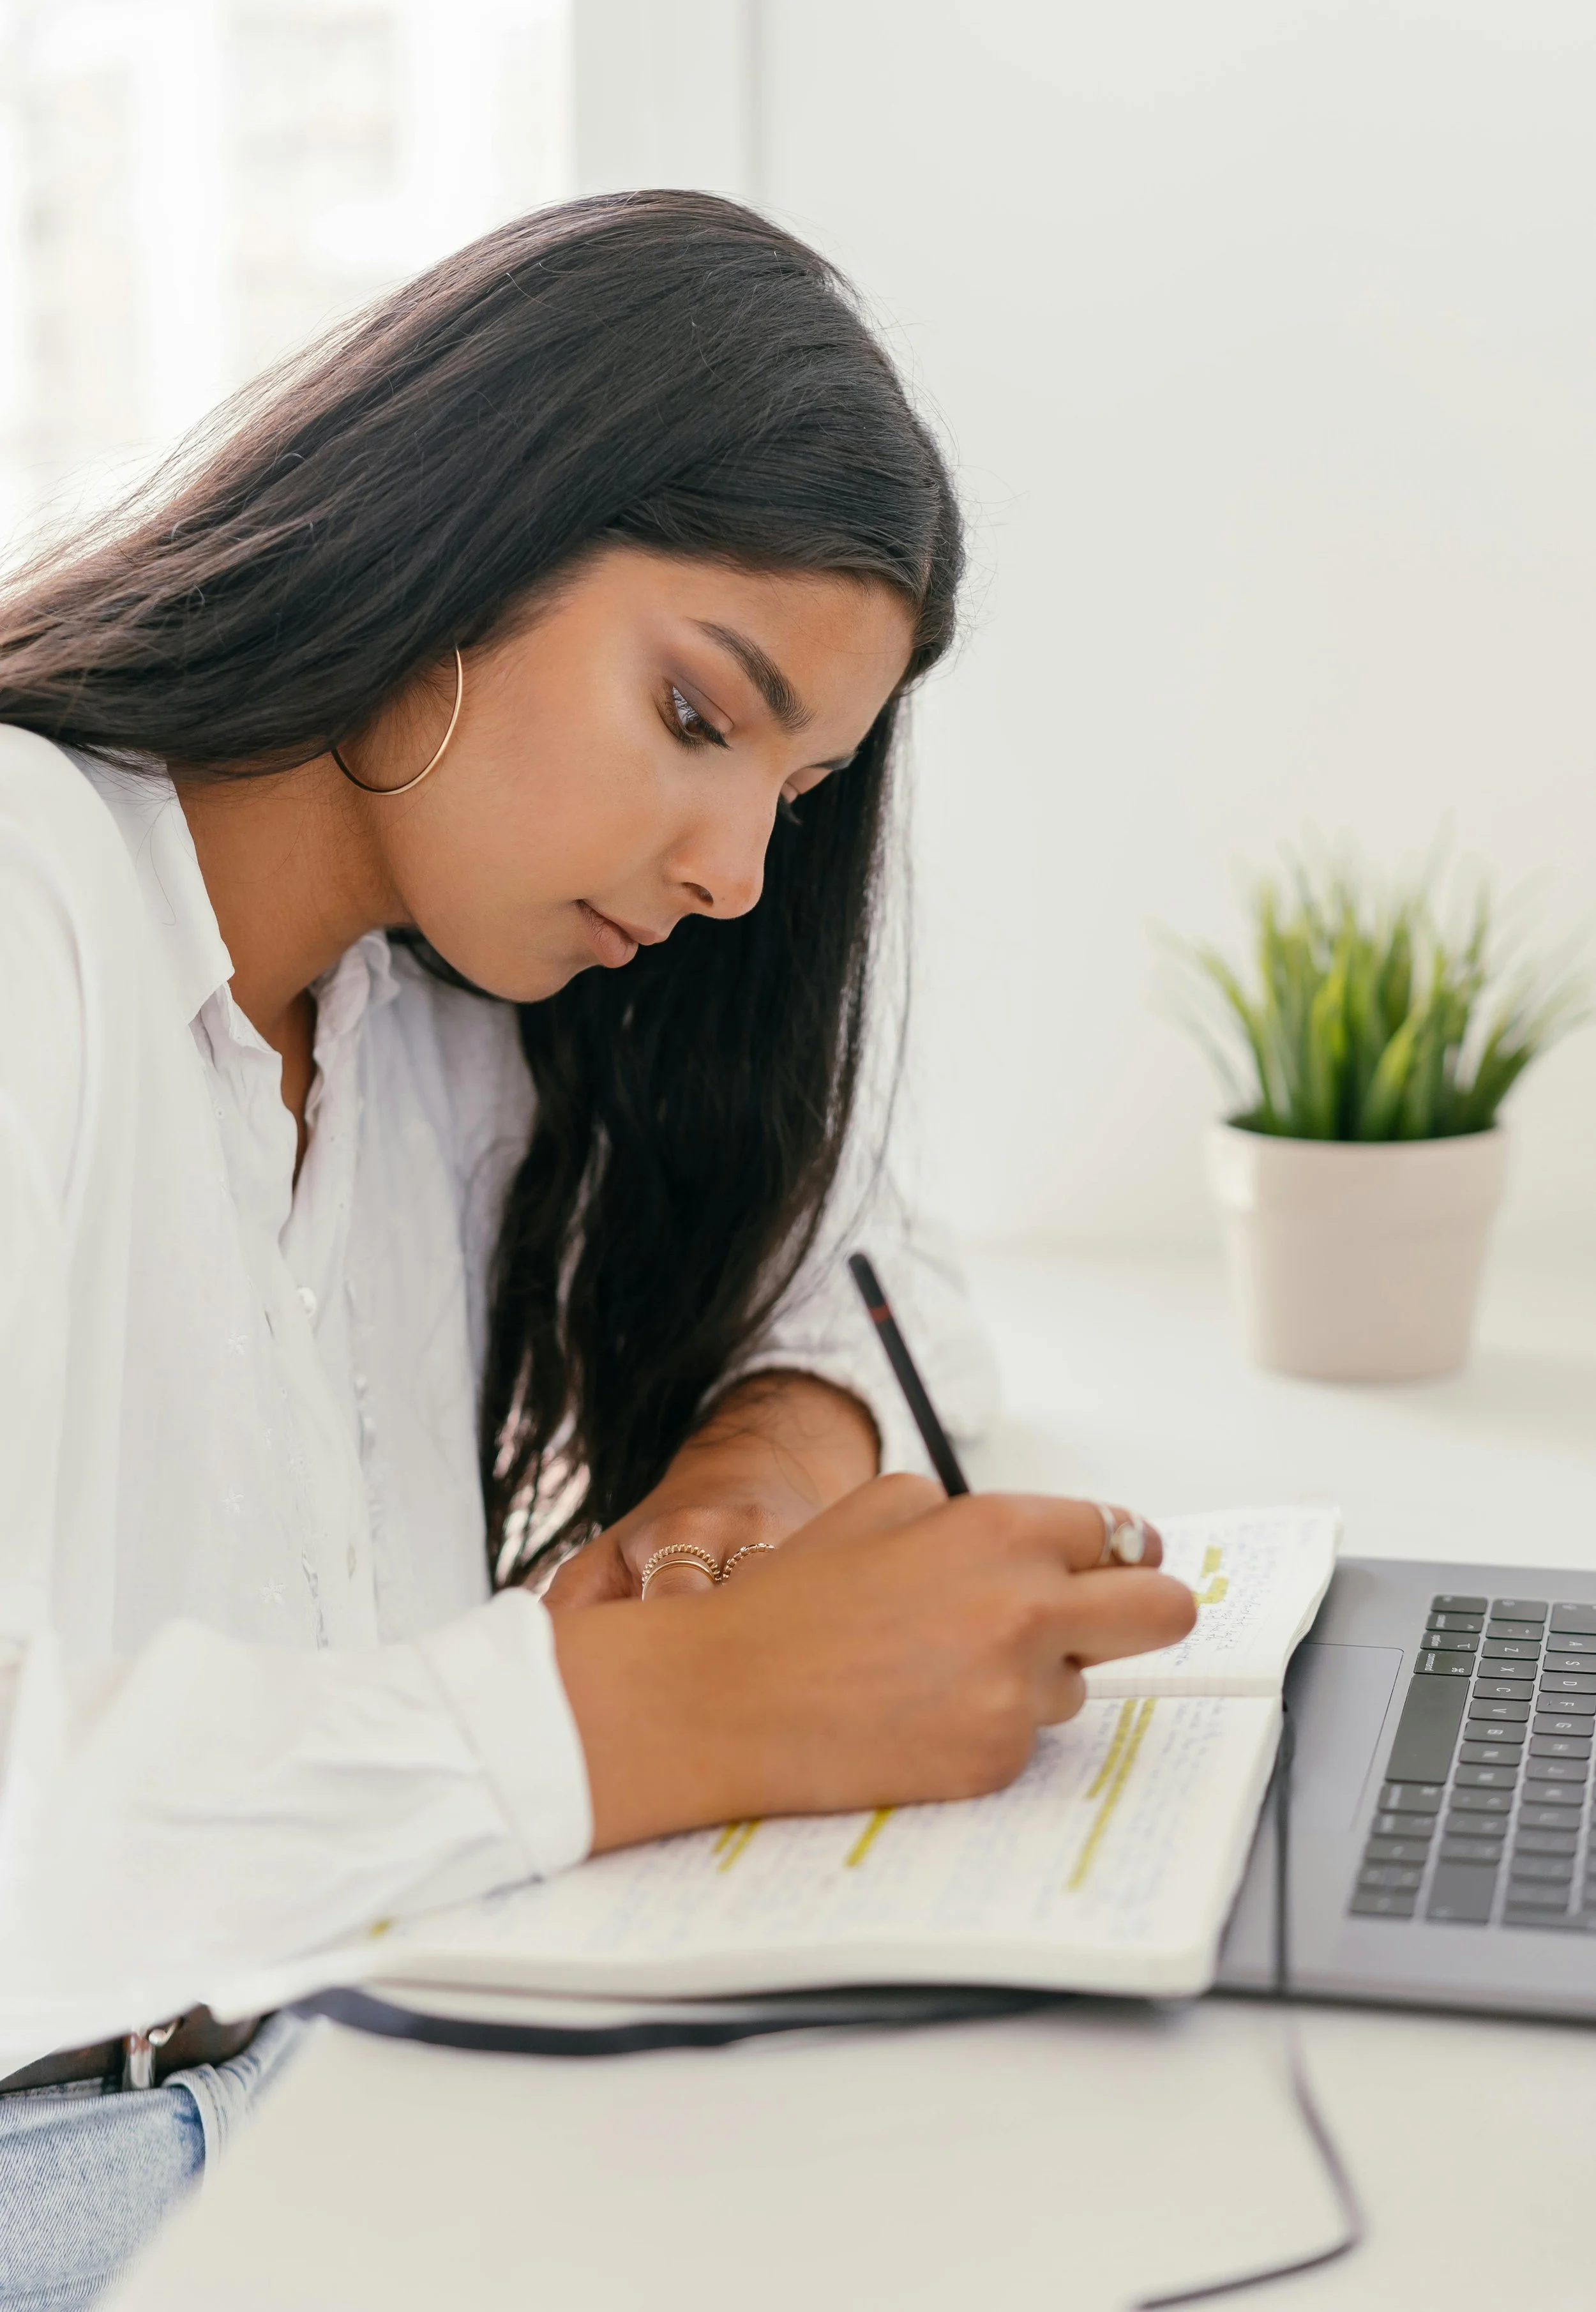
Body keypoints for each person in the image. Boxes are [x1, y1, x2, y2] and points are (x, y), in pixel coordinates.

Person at [0, 192, 1194, 2304]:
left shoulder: (414, 1022)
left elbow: (850, 1256)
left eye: (798, 794)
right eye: (700, 718)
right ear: (458, 542)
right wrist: (653, 1708)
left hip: (353, 2067)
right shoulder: (32, 915)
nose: (736, 870)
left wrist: (749, 1486)